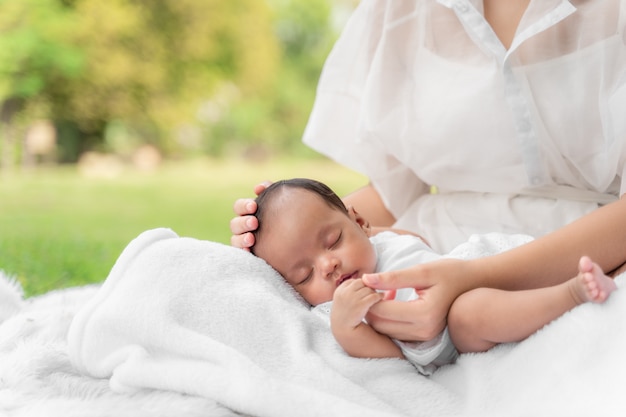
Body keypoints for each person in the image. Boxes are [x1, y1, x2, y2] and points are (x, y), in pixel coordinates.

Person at [231, 0, 626, 342]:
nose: (328, 261)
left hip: (599, 253)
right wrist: (282, 241)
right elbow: (391, 195)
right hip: (433, 259)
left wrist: (469, 277)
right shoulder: (397, 10)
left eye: (332, 242)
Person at [250, 178, 617, 374]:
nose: (327, 265)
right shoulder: (335, 311)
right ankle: (571, 293)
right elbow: (390, 359)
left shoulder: (384, 242)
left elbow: (419, 247)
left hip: (471, 271)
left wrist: (369, 239)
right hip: (448, 337)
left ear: (361, 222)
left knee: (479, 299)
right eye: (304, 274)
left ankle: (571, 279)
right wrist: (348, 329)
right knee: (470, 314)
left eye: (333, 241)